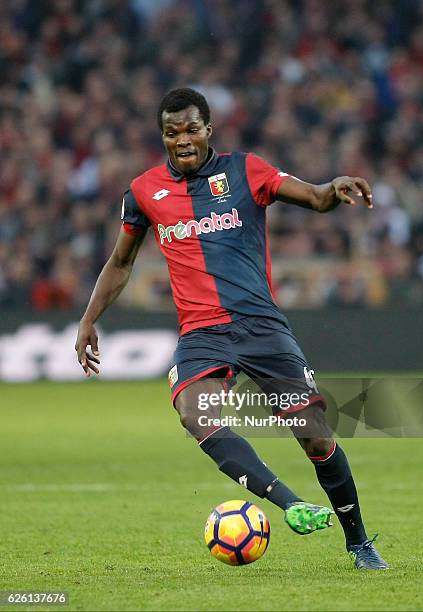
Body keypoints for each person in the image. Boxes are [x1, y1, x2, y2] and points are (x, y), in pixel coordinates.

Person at [75, 88, 388, 570]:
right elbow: (120, 262)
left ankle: (359, 542)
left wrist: (333, 188)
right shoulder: (143, 192)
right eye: (171, 132)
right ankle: (289, 503)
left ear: (208, 130)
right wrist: (89, 317)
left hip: (262, 327)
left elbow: (312, 196)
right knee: (193, 412)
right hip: (201, 335)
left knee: (317, 437)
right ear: (163, 135)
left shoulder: (246, 170)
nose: (182, 140)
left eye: (191, 129)